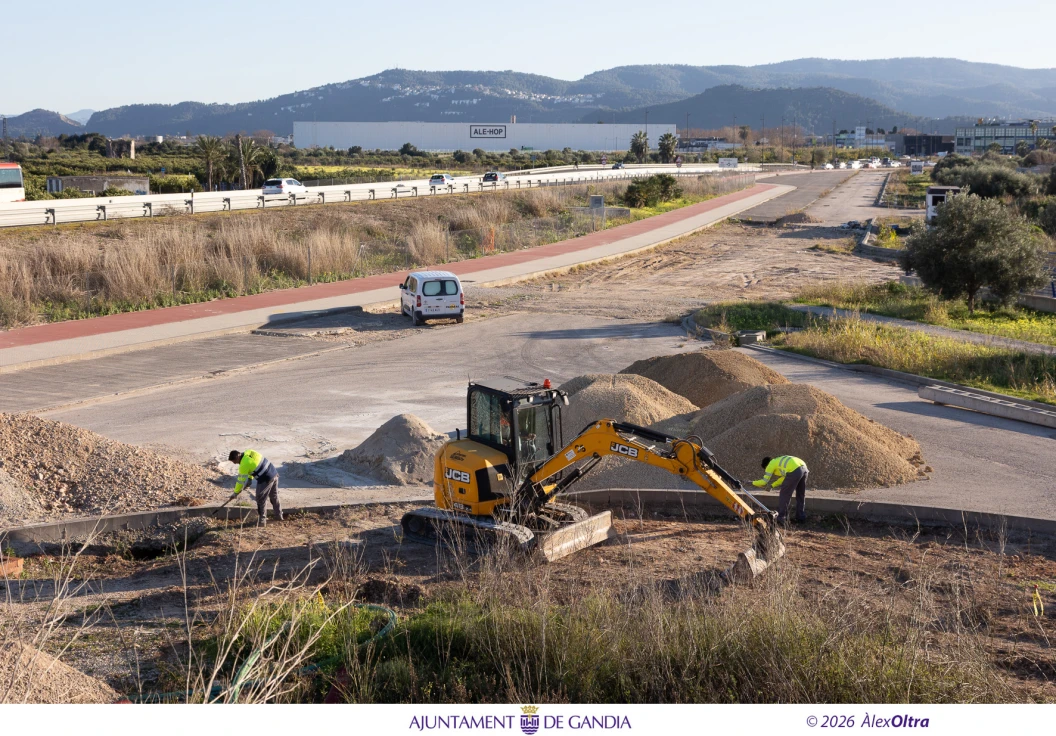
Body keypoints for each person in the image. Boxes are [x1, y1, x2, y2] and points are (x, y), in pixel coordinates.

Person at [228, 449, 282, 525]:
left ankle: (262, 520)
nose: (235, 463)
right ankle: (279, 515)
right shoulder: (249, 452)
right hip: (274, 472)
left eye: (234, 462)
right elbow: (253, 465)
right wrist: (250, 479)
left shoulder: (243, 465)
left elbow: (240, 482)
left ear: (237, 458)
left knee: (260, 498)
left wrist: (235, 493)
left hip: (265, 479)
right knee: (274, 496)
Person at [752, 455, 808, 524]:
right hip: (804, 467)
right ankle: (801, 517)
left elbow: (764, 482)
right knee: (800, 494)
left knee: (784, 494)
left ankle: (781, 518)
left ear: (766, 466)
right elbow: (784, 478)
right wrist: (772, 485)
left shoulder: (770, 464)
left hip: (794, 470)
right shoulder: (778, 462)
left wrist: (752, 483)